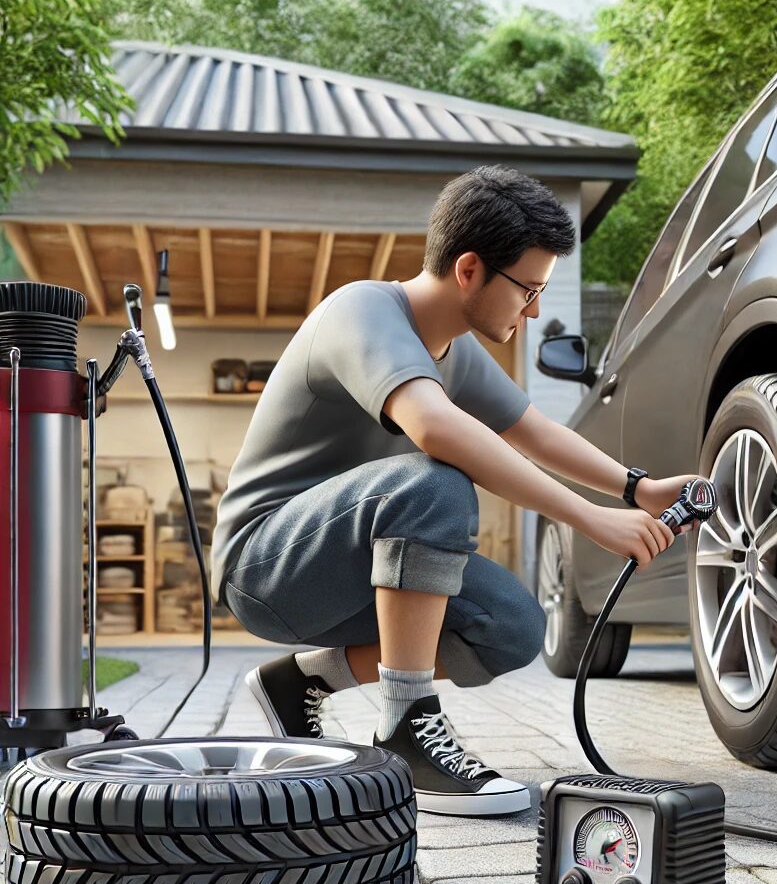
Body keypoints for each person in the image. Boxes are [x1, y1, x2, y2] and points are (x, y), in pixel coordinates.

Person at [211, 164, 696, 818]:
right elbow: (434, 428)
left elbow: (536, 433)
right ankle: (408, 726)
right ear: (469, 270)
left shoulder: (456, 352)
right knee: (435, 482)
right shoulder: (362, 310)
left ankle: (298, 682)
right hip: (268, 568)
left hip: (350, 570)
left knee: (511, 627)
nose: (535, 309)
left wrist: (637, 488)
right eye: (527, 288)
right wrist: (590, 519)